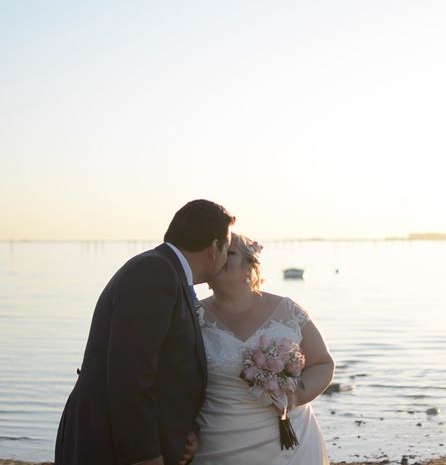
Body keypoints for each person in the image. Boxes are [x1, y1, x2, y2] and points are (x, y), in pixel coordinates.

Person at [55, 199, 235, 465]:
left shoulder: (168, 273)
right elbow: (130, 372)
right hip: (110, 448)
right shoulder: (154, 272)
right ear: (213, 247)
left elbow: (170, 368)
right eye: (227, 248)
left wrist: (182, 434)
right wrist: (145, 455)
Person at [192, 233, 334, 464]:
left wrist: (295, 395)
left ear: (251, 265)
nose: (221, 258)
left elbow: (323, 364)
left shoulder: (288, 311)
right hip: (219, 444)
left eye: (230, 252)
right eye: (216, 253)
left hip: (290, 444)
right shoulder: (193, 316)